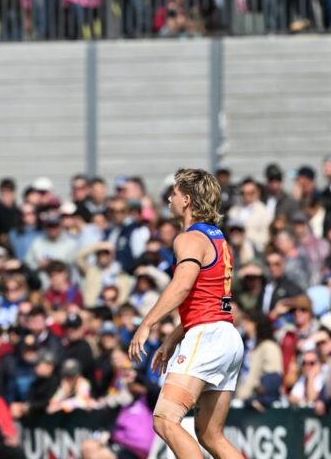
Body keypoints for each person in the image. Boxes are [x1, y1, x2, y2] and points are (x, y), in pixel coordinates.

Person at [128, 168, 243, 459]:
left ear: (188, 200)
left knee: (165, 419)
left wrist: (146, 324)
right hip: (226, 335)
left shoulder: (189, 238)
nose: (169, 197)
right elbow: (208, 300)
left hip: (208, 336)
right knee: (210, 435)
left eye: (175, 192)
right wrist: (173, 338)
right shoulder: (218, 238)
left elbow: (181, 286)